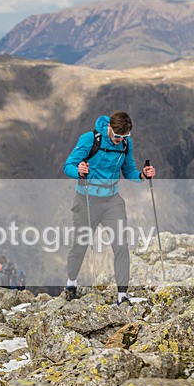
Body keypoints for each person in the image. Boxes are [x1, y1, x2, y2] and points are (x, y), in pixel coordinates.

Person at [62, 111, 156, 305]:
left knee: (121, 246)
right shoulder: (90, 139)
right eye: (117, 136)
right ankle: (71, 283)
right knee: (80, 245)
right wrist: (79, 171)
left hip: (112, 200)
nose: (119, 140)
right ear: (109, 128)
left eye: (125, 137)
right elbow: (68, 165)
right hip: (87, 199)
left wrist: (142, 176)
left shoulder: (125, 144)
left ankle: (122, 295)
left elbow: (128, 170)